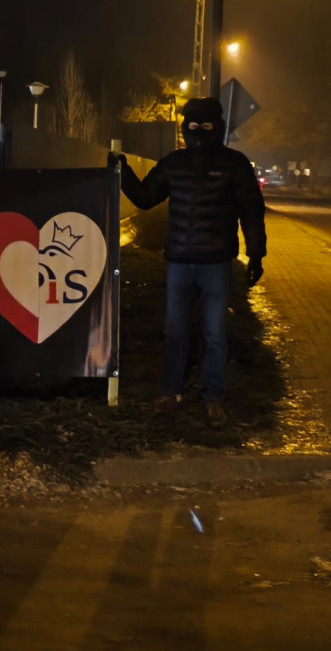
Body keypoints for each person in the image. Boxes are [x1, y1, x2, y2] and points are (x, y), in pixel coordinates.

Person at [108, 96, 267, 427]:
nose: (198, 131)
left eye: (205, 124)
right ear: (185, 128)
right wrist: (122, 171)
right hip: (180, 262)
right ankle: (171, 391)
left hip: (216, 264)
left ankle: (213, 397)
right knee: (176, 331)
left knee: (214, 333)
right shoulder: (174, 164)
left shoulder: (234, 164)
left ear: (217, 127)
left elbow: (251, 211)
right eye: (192, 125)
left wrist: (256, 252)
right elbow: (146, 197)